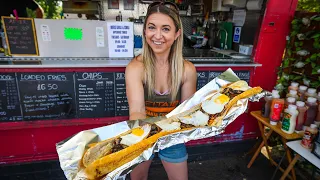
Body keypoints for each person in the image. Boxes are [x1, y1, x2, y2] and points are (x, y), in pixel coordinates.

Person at [125, 1, 197, 180]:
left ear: (177, 33)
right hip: (142, 132)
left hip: (173, 134)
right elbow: (137, 111)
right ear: (144, 31)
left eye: (166, 29)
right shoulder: (136, 67)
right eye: (152, 27)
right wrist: (144, 139)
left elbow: (186, 113)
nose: (157, 35)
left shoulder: (187, 69)